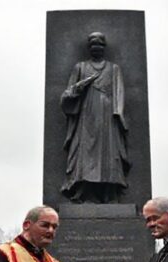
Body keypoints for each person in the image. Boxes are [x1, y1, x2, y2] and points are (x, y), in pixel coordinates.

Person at [60, 31, 130, 203]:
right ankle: (84, 193)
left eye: (99, 45)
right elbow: (67, 95)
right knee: (85, 153)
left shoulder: (113, 69)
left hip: (107, 116)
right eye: (93, 46)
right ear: (89, 48)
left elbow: (119, 93)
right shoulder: (80, 68)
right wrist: (79, 87)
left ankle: (108, 194)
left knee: (108, 154)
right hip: (86, 115)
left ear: (104, 48)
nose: (96, 48)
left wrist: (118, 114)